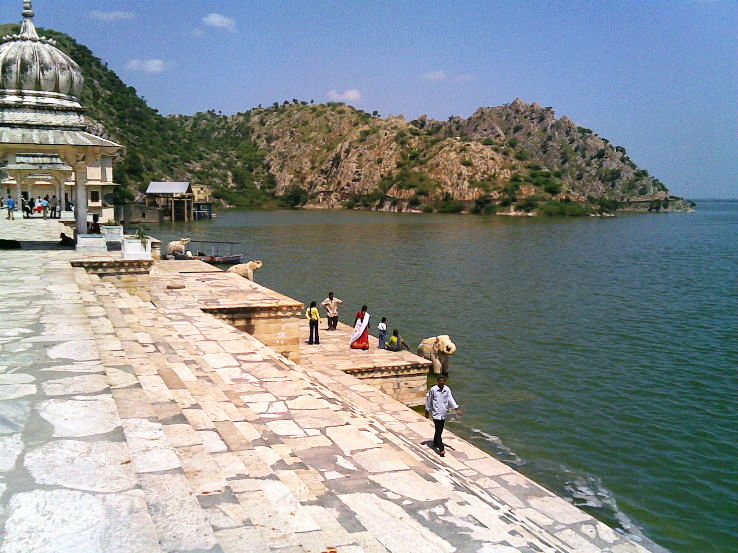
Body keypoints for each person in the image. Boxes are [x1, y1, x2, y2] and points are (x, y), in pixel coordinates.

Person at [424, 375, 462, 457]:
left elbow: (450, 399)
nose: (441, 382)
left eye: (443, 381)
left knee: (440, 430)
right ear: (437, 381)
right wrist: (427, 410)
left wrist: (456, 408)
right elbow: (429, 400)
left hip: (443, 413)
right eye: (440, 381)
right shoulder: (433, 390)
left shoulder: (447, 389)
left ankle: (435, 442)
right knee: (438, 431)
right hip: (436, 413)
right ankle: (441, 449)